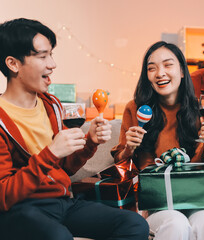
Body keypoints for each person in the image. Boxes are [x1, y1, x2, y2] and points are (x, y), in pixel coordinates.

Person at [0, 18, 148, 240]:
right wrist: (50, 153)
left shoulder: (52, 105)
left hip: (62, 203)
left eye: (51, 54)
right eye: (42, 56)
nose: (52, 64)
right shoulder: (2, 119)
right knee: (59, 237)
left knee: (134, 225)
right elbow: (4, 195)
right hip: (20, 211)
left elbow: (65, 168)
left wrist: (90, 143)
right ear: (13, 64)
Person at [111, 41, 204, 239]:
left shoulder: (201, 109)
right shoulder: (135, 109)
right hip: (157, 201)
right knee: (176, 223)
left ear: (181, 71)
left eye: (167, 65)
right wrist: (129, 148)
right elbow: (120, 164)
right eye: (151, 68)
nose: (160, 73)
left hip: (196, 196)